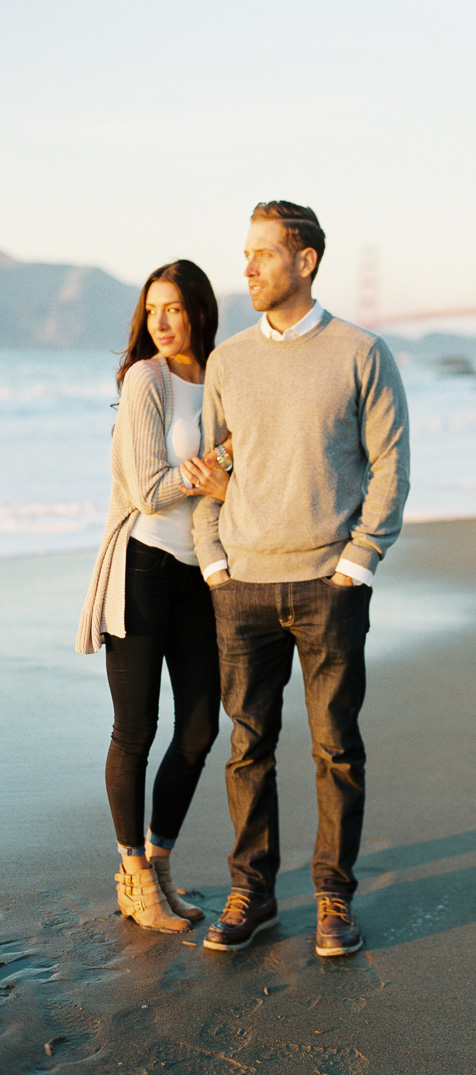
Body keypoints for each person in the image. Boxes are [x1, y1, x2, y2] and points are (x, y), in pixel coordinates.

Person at [193, 201, 410, 955]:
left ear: (306, 260)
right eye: (244, 253)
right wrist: (214, 561)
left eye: (262, 253)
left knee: (335, 747)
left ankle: (331, 897)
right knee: (247, 746)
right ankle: (253, 893)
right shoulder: (227, 362)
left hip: (329, 583)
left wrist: (359, 560)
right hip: (242, 585)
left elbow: (390, 465)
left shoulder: (361, 352)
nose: (246, 267)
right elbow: (209, 469)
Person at [77, 260, 230, 933]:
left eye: (174, 308)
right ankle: (133, 871)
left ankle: (160, 861)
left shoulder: (222, 378)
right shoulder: (146, 380)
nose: (161, 322)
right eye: (152, 309)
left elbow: (242, 466)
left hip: (201, 573)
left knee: (198, 728)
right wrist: (205, 472)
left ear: (199, 311)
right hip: (141, 568)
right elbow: (147, 489)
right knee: (135, 729)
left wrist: (210, 474)